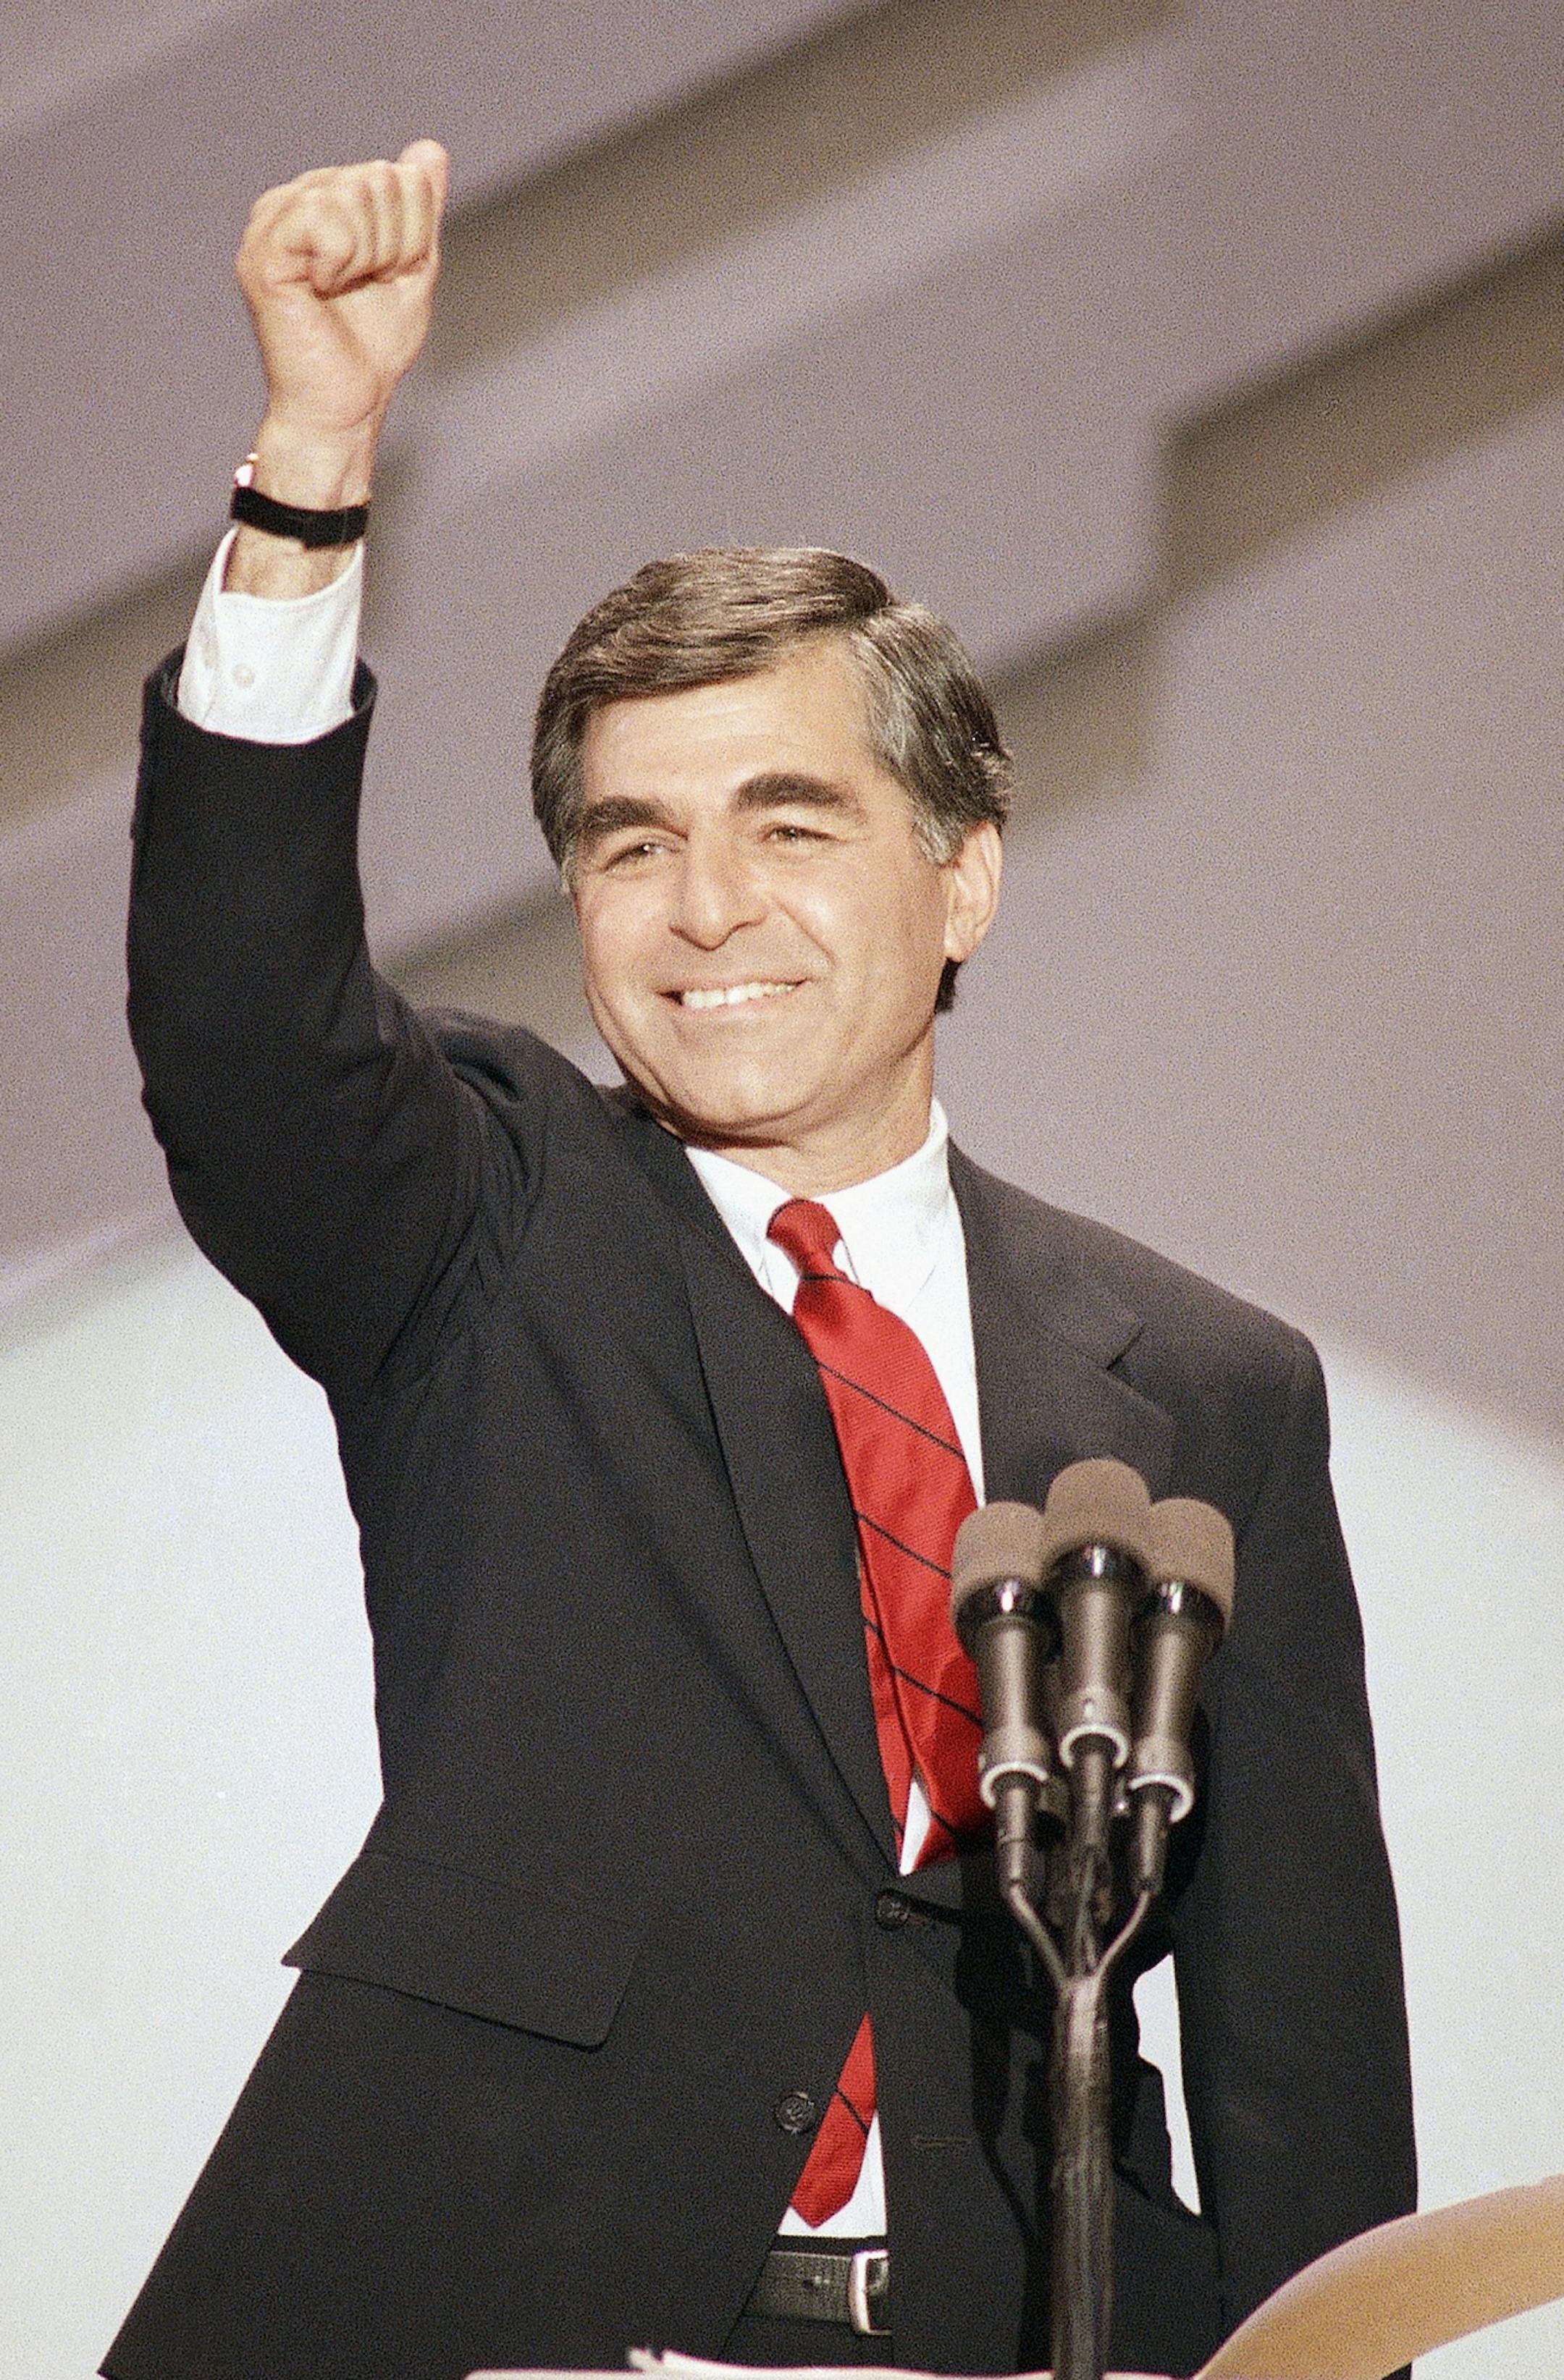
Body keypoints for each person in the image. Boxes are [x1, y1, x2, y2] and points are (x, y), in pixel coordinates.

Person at [105, 143, 1415, 2380]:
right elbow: (243, 1021)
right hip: (477, 2290)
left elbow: (1298, 2025)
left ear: (966, 876)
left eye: (789, 827)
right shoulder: (488, 1219)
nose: (705, 909)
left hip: (1022, 2320)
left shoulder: (1203, 1383)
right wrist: (316, 470)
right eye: (636, 843)